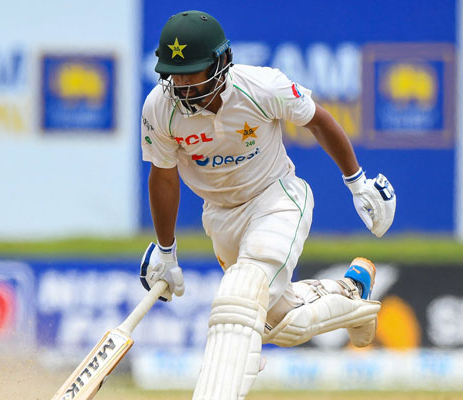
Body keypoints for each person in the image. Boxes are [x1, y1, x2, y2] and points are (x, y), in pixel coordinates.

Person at [138, 10, 396, 400]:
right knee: (279, 324)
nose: (183, 85)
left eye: (192, 73)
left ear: (221, 63)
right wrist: (165, 250)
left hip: (276, 199)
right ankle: (350, 292)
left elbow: (319, 121)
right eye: (175, 74)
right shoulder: (160, 108)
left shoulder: (262, 87)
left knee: (242, 291)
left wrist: (357, 181)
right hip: (221, 216)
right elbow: (163, 177)